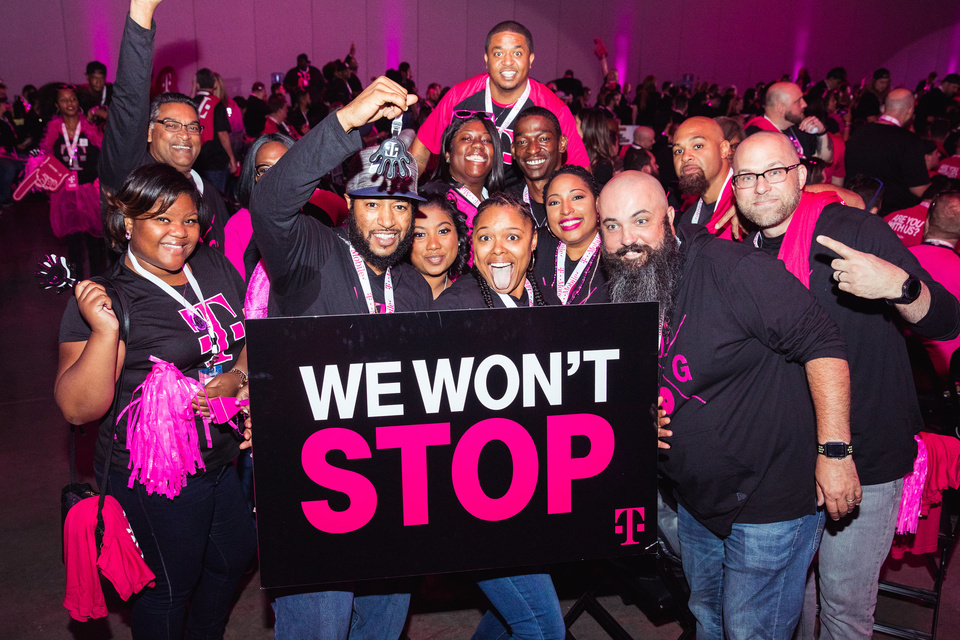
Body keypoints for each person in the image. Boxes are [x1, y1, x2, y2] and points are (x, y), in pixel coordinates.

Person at [596, 170, 854, 640]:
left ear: (669, 217)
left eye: (641, 220)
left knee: (750, 630)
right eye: (612, 226)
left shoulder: (733, 268)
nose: (627, 239)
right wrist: (640, 415)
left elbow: (824, 343)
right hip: (698, 500)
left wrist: (835, 453)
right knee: (708, 619)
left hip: (771, 497)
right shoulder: (624, 283)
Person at [731, 131, 960, 640]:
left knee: (843, 608)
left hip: (866, 454)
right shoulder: (743, 258)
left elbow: (946, 319)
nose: (761, 186)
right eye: (747, 176)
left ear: (800, 174)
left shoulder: (853, 230)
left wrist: (898, 287)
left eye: (774, 172)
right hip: (789, 456)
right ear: (735, 186)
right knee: (797, 596)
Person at [250, 75, 430, 638]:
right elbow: (270, 203)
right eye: (372, 205)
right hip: (315, 490)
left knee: (381, 628)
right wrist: (347, 121)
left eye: (399, 208)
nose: (387, 221)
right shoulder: (311, 252)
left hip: (393, 491)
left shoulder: (415, 287)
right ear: (350, 205)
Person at [55, 163, 256, 640]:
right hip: (154, 477)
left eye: (189, 220)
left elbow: (250, 335)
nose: (179, 233)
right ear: (128, 222)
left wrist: (237, 378)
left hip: (219, 457)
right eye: (162, 219)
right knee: (168, 587)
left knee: (235, 557)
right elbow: (77, 409)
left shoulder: (212, 265)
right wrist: (105, 331)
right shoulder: (110, 298)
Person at [431, 193, 563, 639]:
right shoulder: (455, 310)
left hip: (529, 492)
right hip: (475, 503)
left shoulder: (545, 300)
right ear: (472, 246)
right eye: (486, 238)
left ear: (533, 243)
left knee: (513, 618)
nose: (498, 250)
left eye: (512, 236)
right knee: (543, 627)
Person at [100, 0, 227, 252]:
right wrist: (142, 13)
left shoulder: (209, 194)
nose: (185, 135)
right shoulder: (132, 177)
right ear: (149, 131)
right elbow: (129, 101)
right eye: (172, 124)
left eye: (193, 127)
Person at [409, 21, 588, 184]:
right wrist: (404, 193)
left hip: (521, 203)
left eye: (517, 53)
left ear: (530, 59)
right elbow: (421, 148)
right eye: (498, 53)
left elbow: (581, 172)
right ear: (487, 60)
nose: (507, 62)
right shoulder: (459, 96)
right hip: (461, 197)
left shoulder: (554, 108)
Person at [42, 84, 106, 278]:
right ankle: (77, 284)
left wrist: (98, 113)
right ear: (57, 105)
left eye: (73, 99)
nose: (69, 103)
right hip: (66, 194)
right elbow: (47, 161)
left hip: (89, 191)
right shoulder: (54, 131)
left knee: (95, 243)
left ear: (78, 102)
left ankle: (98, 282)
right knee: (74, 244)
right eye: (64, 100)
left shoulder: (91, 127)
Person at [845, 88, 931, 215]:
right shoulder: (909, 141)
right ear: (910, 110)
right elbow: (919, 189)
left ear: (883, 108)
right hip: (892, 217)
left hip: (854, 209)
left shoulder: (859, 132)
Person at [533, 165, 605, 305]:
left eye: (577, 197)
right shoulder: (533, 248)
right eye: (554, 202)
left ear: (597, 204)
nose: (566, 210)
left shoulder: (618, 253)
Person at [909, 191, 960, 380]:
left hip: (904, 369)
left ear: (927, 221)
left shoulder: (900, 257)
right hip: (949, 373)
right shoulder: (957, 266)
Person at [421, 113, 504, 229]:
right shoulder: (429, 200)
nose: (478, 144)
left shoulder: (500, 203)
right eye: (466, 138)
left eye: (487, 140)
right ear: (448, 154)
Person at [671, 116, 735, 235]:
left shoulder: (750, 203)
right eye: (678, 151)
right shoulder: (686, 221)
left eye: (698, 146)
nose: (685, 157)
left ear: (723, 149)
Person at [744, 82, 833, 164]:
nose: (805, 104)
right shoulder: (756, 137)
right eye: (799, 101)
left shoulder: (798, 128)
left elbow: (825, 159)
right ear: (781, 108)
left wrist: (821, 133)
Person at [509, 107, 568, 227]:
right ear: (513, 150)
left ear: (562, 143)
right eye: (522, 142)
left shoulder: (585, 199)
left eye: (543, 139)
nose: (532, 150)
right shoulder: (506, 205)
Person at [408, 192, 470, 299]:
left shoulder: (470, 298)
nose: (433, 245)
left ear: (458, 237)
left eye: (443, 231)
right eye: (420, 234)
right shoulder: (387, 294)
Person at [191, 67, 237, 193]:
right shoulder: (216, 103)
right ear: (215, 84)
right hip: (215, 161)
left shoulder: (191, 103)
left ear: (197, 84)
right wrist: (231, 158)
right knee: (216, 196)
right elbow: (222, 134)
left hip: (196, 160)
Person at [77, 60, 113, 128]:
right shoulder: (81, 97)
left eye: (102, 78)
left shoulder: (113, 93)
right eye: (95, 78)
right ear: (88, 77)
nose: (98, 82)